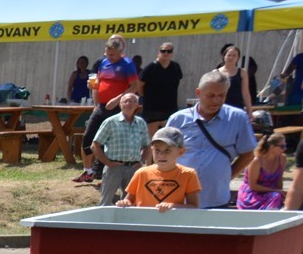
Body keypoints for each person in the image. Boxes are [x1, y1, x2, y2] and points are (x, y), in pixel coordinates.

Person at [166, 70, 257, 209]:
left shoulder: (237, 118)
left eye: (222, 95)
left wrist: (227, 176)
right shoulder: (177, 119)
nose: (216, 100)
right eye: (210, 95)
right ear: (198, 93)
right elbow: (163, 153)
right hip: (180, 199)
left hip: (216, 198)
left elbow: (248, 153)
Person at [72, 35, 141, 183]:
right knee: (89, 136)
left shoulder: (127, 64)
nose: (110, 57)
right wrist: (94, 94)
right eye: (108, 54)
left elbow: (134, 86)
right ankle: (88, 171)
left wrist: (117, 100)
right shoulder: (103, 63)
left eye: (113, 55)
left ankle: (111, 173)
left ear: (120, 52)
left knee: (113, 141)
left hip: (118, 107)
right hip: (101, 107)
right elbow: (99, 83)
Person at [88, 92, 151, 208]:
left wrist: (141, 161)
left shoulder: (141, 123)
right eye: (126, 101)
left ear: (137, 105)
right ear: (120, 105)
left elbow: (147, 145)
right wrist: (107, 162)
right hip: (114, 167)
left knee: (129, 203)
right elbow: (95, 145)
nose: (130, 104)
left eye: (133, 101)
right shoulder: (110, 122)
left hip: (133, 168)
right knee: (106, 202)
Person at [117, 125, 200, 211]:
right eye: (157, 150)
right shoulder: (141, 173)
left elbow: (194, 206)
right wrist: (125, 203)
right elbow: (129, 200)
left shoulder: (188, 174)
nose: (161, 155)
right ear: (152, 150)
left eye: (167, 150)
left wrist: (173, 206)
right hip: (143, 219)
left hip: (172, 219)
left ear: (181, 152)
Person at [236, 133, 287, 210]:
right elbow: (253, 186)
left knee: (277, 197)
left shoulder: (282, 158)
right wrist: (275, 191)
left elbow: (279, 180)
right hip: (253, 193)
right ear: (272, 147)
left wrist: (281, 192)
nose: (285, 149)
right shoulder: (256, 161)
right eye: (282, 146)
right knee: (275, 196)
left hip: (272, 192)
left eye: (285, 145)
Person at [140, 42, 184, 124]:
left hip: (170, 108)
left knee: (169, 131)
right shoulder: (150, 68)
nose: (166, 53)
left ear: (172, 53)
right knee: (153, 132)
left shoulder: (175, 67)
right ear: (159, 52)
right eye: (163, 51)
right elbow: (139, 85)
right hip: (152, 109)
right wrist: (145, 96)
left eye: (169, 51)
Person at [217, 43, 256, 111]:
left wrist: (249, 110)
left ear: (238, 58)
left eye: (234, 55)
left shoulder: (242, 72)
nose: (231, 57)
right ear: (224, 56)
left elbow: (246, 93)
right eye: (229, 55)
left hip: (237, 108)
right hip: (220, 107)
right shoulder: (216, 72)